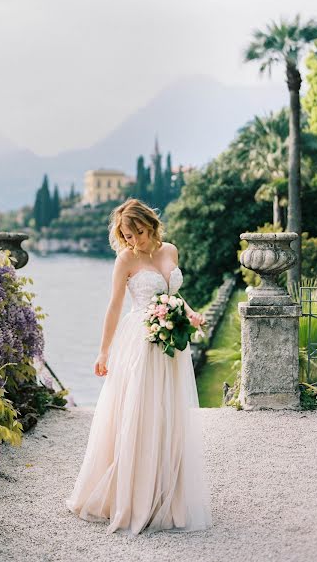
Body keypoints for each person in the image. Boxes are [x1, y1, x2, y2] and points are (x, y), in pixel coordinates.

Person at [65, 198, 213, 535]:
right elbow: (115, 306)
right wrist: (103, 352)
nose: (135, 241)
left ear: (151, 225)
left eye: (139, 233)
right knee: (139, 412)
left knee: (168, 414)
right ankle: (132, 496)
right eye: (127, 236)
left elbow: (173, 295)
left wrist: (190, 314)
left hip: (171, 341)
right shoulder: (125, 260)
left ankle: (166, 493)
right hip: (140, 341)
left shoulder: (170, 251)